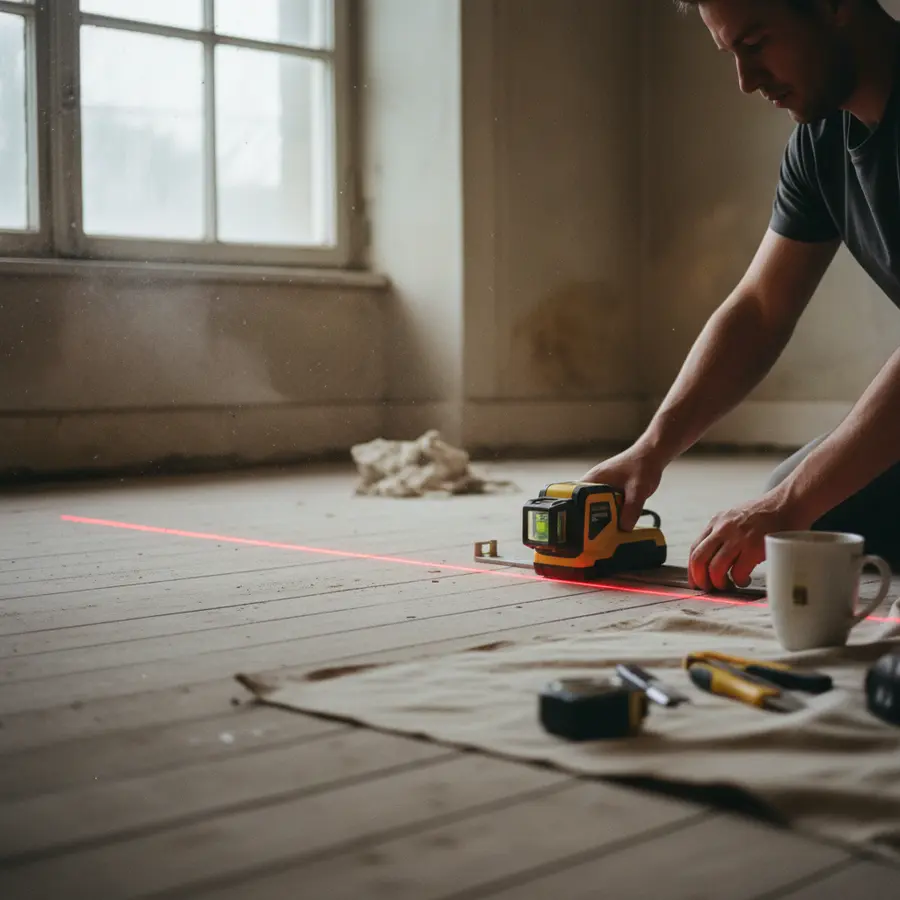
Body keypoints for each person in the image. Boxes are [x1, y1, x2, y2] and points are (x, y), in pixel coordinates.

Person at [581, 0, 900, 591]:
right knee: (806, 509)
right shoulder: (820, 141)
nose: (747, 81)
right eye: (731, 54)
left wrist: (790, 502)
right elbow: (760, 307)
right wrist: (650, 450)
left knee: (796, 502)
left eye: (756, 44)